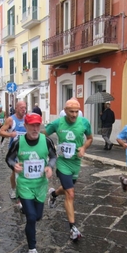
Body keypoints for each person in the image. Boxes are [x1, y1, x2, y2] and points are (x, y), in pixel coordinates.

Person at [5, 113, 57, 253]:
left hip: (41, 186)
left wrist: (50, 166)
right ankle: (32, 251)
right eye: (32, 125)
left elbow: (53, 156)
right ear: (26, 126)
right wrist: (13, 165)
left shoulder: (46, 141)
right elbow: (8, 158)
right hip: (25, 185)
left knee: (38, 216)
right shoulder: (18, 141)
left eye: (37, 125)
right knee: (32, 217)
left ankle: (28, 214)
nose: (35, 128)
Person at [45, 98, 93, 241]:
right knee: (70, 193)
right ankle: (73, 228)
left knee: (66, 189)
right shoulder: (58, 123)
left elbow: (90, 138)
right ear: (65, 111)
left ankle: (53, 194)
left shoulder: (84, 122)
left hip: (75, 162)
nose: (74, 114)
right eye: (71, 111)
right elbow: (43, 135)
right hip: (63, 163)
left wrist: (84, 147)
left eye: (76, 111)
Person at [0, 101, 27, 199]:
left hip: (25, 149)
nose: (24, 110)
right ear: (16, 108)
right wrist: (10, 134)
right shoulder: (11, 120)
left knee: (24, 170)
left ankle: (24, 189)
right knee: (15, 171)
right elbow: (1, 131)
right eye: (21, 108)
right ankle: (14, 189)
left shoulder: (27, 119)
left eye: (25, 108)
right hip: (14, 150)